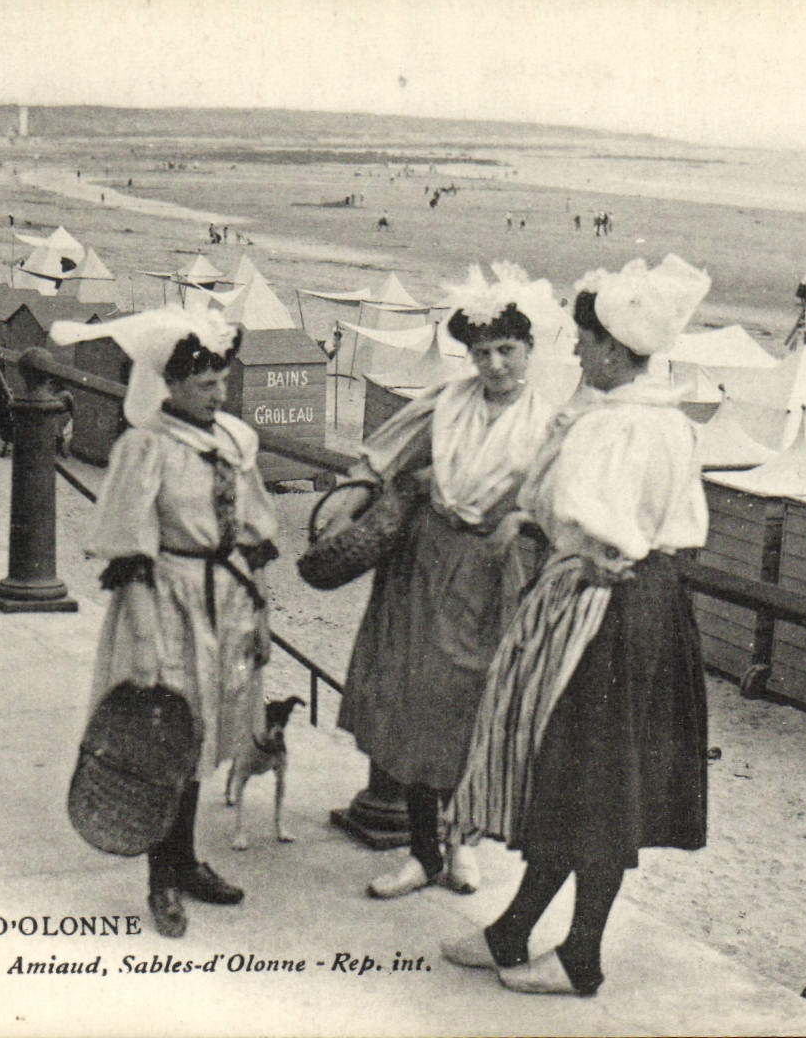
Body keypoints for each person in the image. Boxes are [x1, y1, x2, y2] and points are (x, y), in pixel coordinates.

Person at [442, 254, 712, 997]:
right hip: (646, 603)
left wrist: (550, 535)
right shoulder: (662, 422)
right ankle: (512, 929)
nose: (578, 352)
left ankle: (582, 953)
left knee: (594, 784)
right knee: (574, 779)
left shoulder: (617, 427)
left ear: (617, 351)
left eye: (588, 342)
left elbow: (580, 515)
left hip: (607, 606)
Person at [334, 264, 562, 902]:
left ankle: (465, 844)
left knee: (472, 707)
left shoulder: (550, 422)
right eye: (482, 352)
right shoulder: (445, 402)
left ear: (530, 350)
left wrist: (520, 517)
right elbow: (382, 455)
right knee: (413, 703)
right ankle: (420, 850)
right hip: (425, 564)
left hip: (494, 575)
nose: (493, 366)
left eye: (506, 351)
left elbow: (560, 502)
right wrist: (359, 496)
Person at [50, 307, 279, 940]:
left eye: (222, 381)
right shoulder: (145, 445)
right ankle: (162, 877)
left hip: (225, 602)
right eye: (205, 385)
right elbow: (130, 552)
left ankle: (186, 858)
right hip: (168, 602)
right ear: (171, 385)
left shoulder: (233, 442)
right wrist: (145, 644)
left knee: (207, 729)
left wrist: (261, 611)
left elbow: (256, 536)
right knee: (165, 737)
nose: (219, 394)